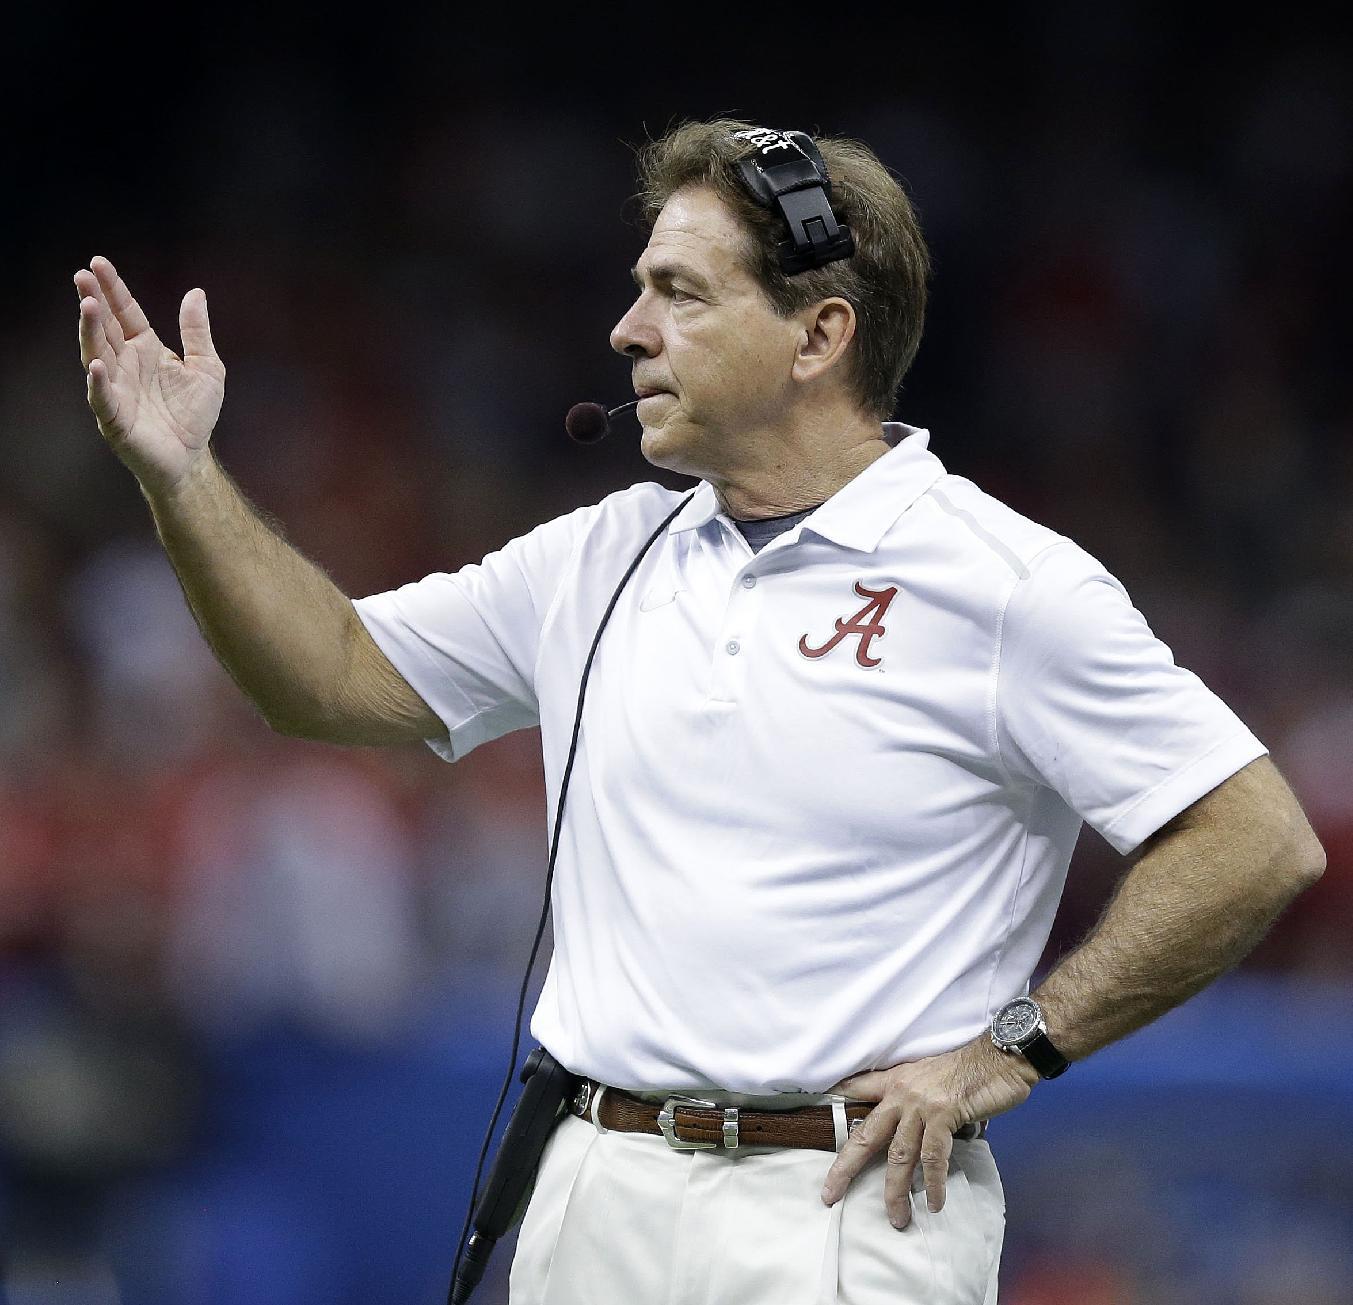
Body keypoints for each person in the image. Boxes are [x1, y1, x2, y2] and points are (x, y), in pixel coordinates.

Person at [74, 118, 1325, 1305]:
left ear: (819, 333)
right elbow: (331, 673)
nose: (628, 330)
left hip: (837, 1204)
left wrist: (1014, 1049)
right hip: (592, 1180)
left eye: (681, 292)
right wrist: (182, 478)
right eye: (641, 287)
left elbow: (1255, 838)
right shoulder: (600, 554)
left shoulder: (1003, 584)